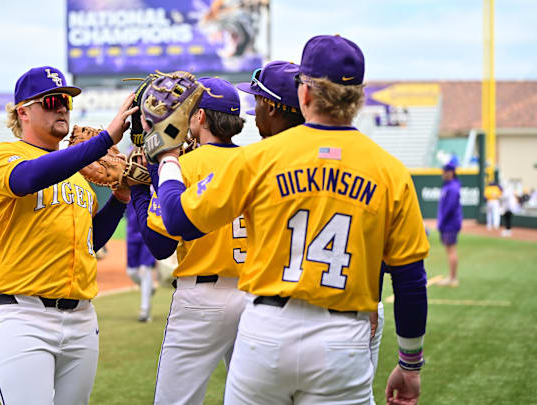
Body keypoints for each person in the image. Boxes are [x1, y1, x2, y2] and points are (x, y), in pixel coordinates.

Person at [152, 35, 429, 405]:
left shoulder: (259, 158)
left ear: (305, 93)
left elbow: (176, 219)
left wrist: (168, 158)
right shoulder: (390, 171)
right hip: (342, 337)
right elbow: (410, 280)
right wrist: (410, 365)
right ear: (358, 97)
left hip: (267, 331)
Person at [0, 66, 138, 405]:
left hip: (81, 318)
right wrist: (104, 140)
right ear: (23, 112)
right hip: (24, 317)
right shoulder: (3, 156)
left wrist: (121, 198)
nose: (62, 108)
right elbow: (26, 179)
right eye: (52, 101)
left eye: (66, 101)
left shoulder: (79, 177)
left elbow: (90, 242)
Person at [131, 77, 249, 405]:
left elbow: (161, 246)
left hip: (201, 299)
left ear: (199, 116)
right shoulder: (256, 162)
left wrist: (139, 192)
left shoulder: (184, 166)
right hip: (254, 297)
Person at [125, 201, 157, 322]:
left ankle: (145, 312)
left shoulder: (152, 190)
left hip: (148, 232)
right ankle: (149, 287)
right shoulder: (128, 189)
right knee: (131, 271)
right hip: (131, 234)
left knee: (145, 270)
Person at [437, 163, 462, 287]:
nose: (443, 174)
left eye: (445, 171)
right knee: (450, 250)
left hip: (450, 223)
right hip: (448, 222)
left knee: (451, 250)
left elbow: (449, 207)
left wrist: (441, 222)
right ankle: (452, 276)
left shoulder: (452, 187)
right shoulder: (448, 186)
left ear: (450, 172)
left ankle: (453, 278)